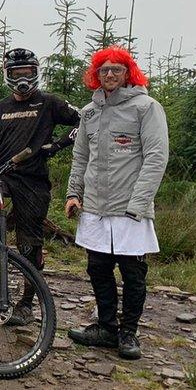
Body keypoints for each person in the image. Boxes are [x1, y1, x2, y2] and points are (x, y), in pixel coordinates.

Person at [0, 48, 81, 324]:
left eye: (28, 73)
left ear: (36, 72)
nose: (23, 80)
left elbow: (84, 121)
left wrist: (57, 145)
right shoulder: (0, 107)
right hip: (0, 172)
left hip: (33, 180)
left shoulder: (49, 102)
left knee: (29, 245)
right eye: (16, 74)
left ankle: (25, 304)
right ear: (8, 75)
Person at [65, 46, 168, 360]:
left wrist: (139, 203)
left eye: (116, 70)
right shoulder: (90, 112)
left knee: (133, 273)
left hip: (129, 210)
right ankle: (107, 328)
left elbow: (155, 157)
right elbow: (81, 157)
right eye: (103, 70)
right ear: (96, 74)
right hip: (95, 208)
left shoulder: (146, 107)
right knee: (98, 269)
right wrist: (73, 193)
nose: (109, 75)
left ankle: (129, 333)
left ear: (128, 73)